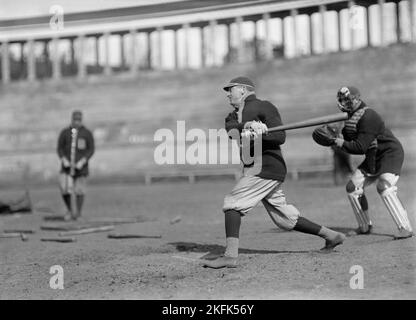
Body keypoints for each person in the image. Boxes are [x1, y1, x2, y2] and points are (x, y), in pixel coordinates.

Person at [202, 76, 346, 269]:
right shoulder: (232, 116)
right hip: (256, 169)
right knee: (285, 218)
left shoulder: (265, 107)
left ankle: (230, 256)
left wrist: (265, 132)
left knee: (232, 204)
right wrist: (248, 126)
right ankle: (332, 235)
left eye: (231, 89)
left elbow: (280, 137)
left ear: (243, 90)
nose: (228, 94)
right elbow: (230, 130)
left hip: (266, 167)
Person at [332, 86, 413, 239]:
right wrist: (335, 136)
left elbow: (359, 147)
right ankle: (364, 227)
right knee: (352, 188)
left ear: (357, 98)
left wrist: (340, 142)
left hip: (390, 153)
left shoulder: (368, 116)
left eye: (349, 99)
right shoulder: (350, 118)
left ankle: (405, 228)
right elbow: (353, 144)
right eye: (343, 100)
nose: (346, 103)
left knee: (384, 186)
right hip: (373, 155)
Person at [57, 110, 95, 220]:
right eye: (75, 120)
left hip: (81, 168)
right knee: (65, 189)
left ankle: (78, 213)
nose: (77, 122)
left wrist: (83, 161)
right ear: (72, 119)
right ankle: (69, 210)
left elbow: (91, 149)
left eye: (79, 120)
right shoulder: (65, 133)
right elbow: (59, 148)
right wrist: (63, 159)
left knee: (80, 190)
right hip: (67, 168)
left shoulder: (86, 133)